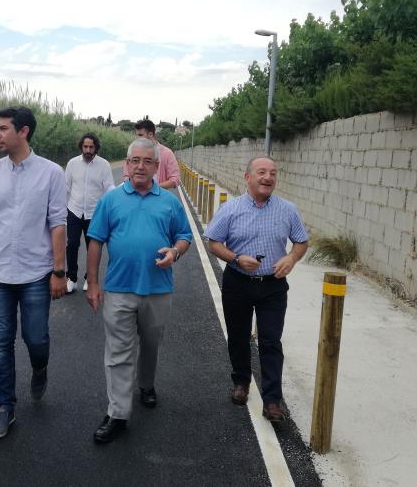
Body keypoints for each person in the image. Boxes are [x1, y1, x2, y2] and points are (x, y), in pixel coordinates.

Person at [0, 106, 67, 439]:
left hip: (36, 273)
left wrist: (58, 271)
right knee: (0, 344)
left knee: (35, 339)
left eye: (3, 128)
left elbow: (57, 224)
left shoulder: (51, 173)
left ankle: (40, 367)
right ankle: (4, 407)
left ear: (22, 132)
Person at [85, 138, 192, 443]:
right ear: (127, 164)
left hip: (158, 289)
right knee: (118, 351)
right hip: (119, 288)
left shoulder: (169, 201)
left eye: (147, 161)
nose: (140, 166)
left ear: (157, 167)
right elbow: (95, 241)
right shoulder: (111, 199)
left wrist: (176, 251)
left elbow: (184, 235)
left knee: (151, 343)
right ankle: (118, 413)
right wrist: (93, 283)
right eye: (135, 161)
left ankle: (146, 384)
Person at [204, 156, 309, 423]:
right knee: (238, 336)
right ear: (247, 177)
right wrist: (236, 258)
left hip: (273, 286)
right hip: (238, 282)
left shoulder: (288, 209)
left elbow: (301, 242)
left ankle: (272, 400)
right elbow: (213, 242)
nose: (268, 177)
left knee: (271, 341)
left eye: (273, 173)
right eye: (261, 172)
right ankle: (241, 381)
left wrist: (291, 258)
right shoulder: (231, 209)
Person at [64, 133, 114, 293]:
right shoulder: (72, 164)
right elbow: (66, 188)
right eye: (85, 146)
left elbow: (109, 188)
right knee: (72, 245)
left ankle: (89, 278)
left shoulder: (104, 165)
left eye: (91, 147)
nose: (88, 149)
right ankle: (71, 278)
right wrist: (62, 210)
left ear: (96, 148)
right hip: (74, 210)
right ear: (81, 147)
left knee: (92, 247)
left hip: (94, 213)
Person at [121, 119, 180, 189]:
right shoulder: (132, 151)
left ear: (150, 134)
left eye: (140, 135)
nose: (137, 138)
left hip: (159, 198)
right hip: (134, 197)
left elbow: (175, 179)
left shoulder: (167, 153)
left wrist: (154, 189)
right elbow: (126, 176)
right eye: (136, 135)